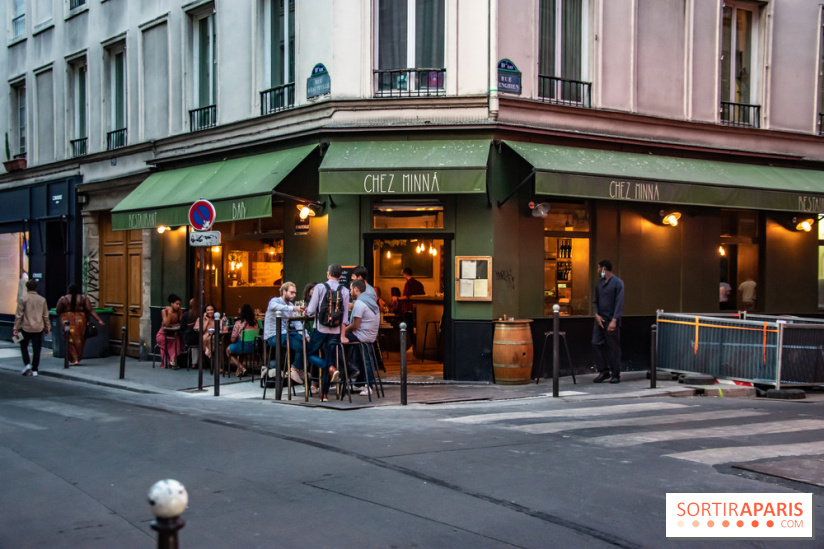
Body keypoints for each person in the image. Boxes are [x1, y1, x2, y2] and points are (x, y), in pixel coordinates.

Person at [304, 264, 350, 402]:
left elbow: (311, 310)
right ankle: (323, 394)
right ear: (340, 276)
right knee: (329, 356)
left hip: (320, 330)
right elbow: (345, 317)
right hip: (335, 331)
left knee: (309, 354)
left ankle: (330, 368)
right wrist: (342, 335)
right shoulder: (345, 291)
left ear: (328, 274)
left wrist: (306, 312)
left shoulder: (320, 287)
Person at [264, 282, 306, 384]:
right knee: (299, 346)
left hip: (285, 333)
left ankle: (299, 370)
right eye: (292, 292)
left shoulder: (291, 305)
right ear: (284, 291)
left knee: (305, 342)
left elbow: (297, 322)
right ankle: (294, 369)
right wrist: (293, 308)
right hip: (274, 335)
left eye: (295, 293)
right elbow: (276, 307)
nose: (294, 295)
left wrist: (305, 335)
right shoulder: (275, 301)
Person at [345, 279, 380, 395]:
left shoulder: (360, 303)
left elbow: (355, 325)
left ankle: (350, 369)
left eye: (351, 289)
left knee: (336, 340)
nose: (350, 292)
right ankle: (360, 383)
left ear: (356, 289)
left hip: (361, 336)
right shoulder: (371, 302)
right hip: (370, 336)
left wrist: (342, 331)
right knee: (362, 358)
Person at [55, 284, 104, 367]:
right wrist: (99, 319)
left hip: (67, 321)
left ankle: (74, 359)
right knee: (79, 340)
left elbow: (58, 310)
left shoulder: (63, 299)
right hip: (80, 321)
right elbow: (90, 310)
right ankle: (77, 357)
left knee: (69, 339)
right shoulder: (84, 298)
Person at [592, 260, 624, 384]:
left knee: (613, 347)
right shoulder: (599, 283)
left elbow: (619, 303)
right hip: (600, 319)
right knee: (596, 343)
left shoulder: (618, 283)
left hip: (611, 319)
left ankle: (615, 374)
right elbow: (595, 300)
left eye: (599, 268)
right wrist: (596, 314)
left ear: (604, 269)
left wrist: (614, 320)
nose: (598, 270)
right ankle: (603, 371)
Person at [14, 278, 50, 377]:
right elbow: (45, 315)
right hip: (38, 327)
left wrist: (16, 328)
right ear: (36, 288)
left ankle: (27, 364)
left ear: (27, 288)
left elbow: (19, 315)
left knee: (23, 346)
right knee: (37, 349)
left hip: (25, 327)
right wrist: (48, 327)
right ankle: (35, 369)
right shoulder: (42, 300)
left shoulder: (23, 299)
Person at [227, 304, 259, 377]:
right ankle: (239, 371)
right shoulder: (255, 322)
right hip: (253, 347)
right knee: (242, 353)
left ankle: (242, 367)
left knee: (227, 350)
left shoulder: (238, 323)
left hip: (242, 346)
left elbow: (233, 339)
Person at [157, 294, 183, 369]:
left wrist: (180, 313)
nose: (178, 306)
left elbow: (181, 323)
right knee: (169, 341)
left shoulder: (179, 311)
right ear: (171, 304)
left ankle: (173, 361)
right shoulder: (165, 311)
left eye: (179, 304)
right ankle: (171, 361)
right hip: (163, 334)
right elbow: (166, 324)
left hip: (173, 333)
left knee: (177, 340)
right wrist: (170, 313)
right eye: (176, 304)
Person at [400, 267, 425, 341]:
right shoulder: (419, 284)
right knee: (418, 327)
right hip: (418, 309)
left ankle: (412, 343)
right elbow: (423, 295)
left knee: (409, 327)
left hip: (409, 308)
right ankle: (417, 343)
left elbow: (407, 297)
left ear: (405, 274)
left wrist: (397, 298)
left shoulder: (408, 283)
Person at [180, 298, 200, 368]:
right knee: (196, 344)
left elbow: (182, 326)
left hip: (189, 337)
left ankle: (193, 362)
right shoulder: (201, 314)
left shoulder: (186, 314)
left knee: (192, 344)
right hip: (199, 337)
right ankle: (195, 362)